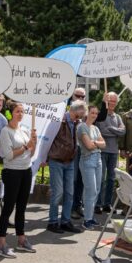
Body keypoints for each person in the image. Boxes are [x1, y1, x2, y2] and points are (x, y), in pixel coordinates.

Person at [0, 101, 37, 258]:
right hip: (12, 172)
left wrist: (34, 142)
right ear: (10, 113)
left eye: (22, 111)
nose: (21, 114)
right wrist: (26, 146)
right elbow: (8, 156)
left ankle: (21, 239)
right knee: (8, 208)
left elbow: (31, 155)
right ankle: (1, 243)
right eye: (18, 111)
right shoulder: (6, 131)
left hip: (26, 171)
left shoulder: (24, 130)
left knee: (22, 207)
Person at [46, 100, 84, 234]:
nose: (82, 116)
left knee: (69, 193)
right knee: (58, 192)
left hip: (69, 161)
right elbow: (48, 139)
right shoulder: (58, 120)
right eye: (80, 113)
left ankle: (65, 221)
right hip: (56, 160)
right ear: (74, 110)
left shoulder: (75, 122)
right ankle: (52, 222)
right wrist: (45, 158)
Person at [94, 92, 126, 213]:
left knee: (112, 179)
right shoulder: (101, 115)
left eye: (114, 101)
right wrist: (115, 131)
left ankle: (107, 204)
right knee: (101, 178)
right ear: (106, 102)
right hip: (102, 151)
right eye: (110, 101)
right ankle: (98, 204)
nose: (112, 103)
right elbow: (101, 131)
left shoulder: (117, 117)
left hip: (114, 151)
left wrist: (111, 129)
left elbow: (123, 132)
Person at [77, 104, 106, 230]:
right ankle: (86, 220)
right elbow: (88, 146)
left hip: (98, 160)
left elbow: (104, 144)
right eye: (92, 112)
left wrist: (94, 143)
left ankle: (90, 216)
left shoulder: (95, 128)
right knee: (91, 190)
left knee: (97, 190)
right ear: (87, 113)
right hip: (87, 160)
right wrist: (96, 143)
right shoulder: (82, 126)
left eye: (96, 113)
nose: (94, 115)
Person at [69, 88, 87, 220]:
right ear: (72, 96)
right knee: (73, 180)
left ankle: (77, 206)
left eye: (83, 96)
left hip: (82, 150)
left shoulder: (85, 113)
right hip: (70, 151)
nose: (80, 98)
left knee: (81, 179)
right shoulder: (66, 111)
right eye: (78, 95)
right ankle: (70, 208)